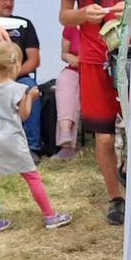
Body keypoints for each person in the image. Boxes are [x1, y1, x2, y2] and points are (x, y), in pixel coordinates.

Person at [53, 0, 131, 225]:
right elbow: (64, 15)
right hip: (94, 56)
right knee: (104, 138)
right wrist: (83, 14)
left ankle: (126, 169)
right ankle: (116, 198)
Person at [0, 40, 70, 236]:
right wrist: (30, 97)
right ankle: (50, 215)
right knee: (32, 177)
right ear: (16, 65)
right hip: (13, 140)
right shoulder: (17, 89)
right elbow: (23, 115)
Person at [0, 0, 43, 153]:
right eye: (4, 0)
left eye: (11, 0)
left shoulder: (23, 25)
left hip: (18, 76)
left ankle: (32, 146)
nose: (9, 4)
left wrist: (11, 76)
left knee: (31, 90)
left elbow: (34, 60)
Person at [54, 23, 82, 161]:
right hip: (76, 69)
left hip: (97, 71)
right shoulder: (71, 27)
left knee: (77, 90)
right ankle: (66, 138)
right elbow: (64, 53)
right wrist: (71, 58)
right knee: (65, 80)